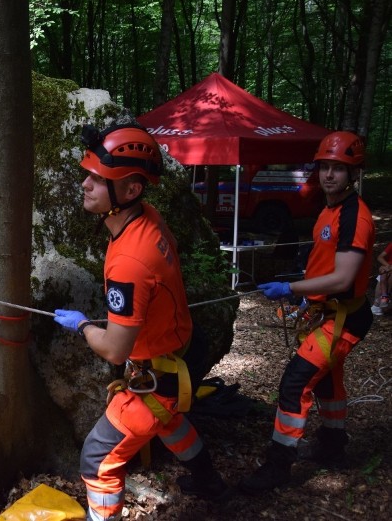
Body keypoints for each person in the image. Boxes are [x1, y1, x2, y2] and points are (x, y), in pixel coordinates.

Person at [53, 123, 228, 521]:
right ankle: (208, 481)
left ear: (130, 191)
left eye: (99, 179)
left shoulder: (130, 258)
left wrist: (83, 326)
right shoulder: (146, 218)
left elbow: (116, 349)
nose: (85, 184)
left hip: (159, 372)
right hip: (178, 350)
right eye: (89, 174)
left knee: (97, 458)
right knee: (170, 422)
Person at [241, 131, 375, 493]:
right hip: (326, 310)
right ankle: (333, 446)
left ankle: (278, 465)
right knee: (327, 381)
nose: (330, 175)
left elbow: (345, 276)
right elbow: (325, 265)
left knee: (295, 383)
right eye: (325, 167)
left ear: (354, 173)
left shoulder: (354, 217)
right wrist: (305, 293)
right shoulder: (328, 210)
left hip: (344, 316)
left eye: (339, 169)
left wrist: (291, 288)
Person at [371, 241, 391, 315]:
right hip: (388, 267)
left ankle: (380, 301)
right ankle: (383, 298)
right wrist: (388, 266)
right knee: (383, 273)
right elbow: (380, 257)